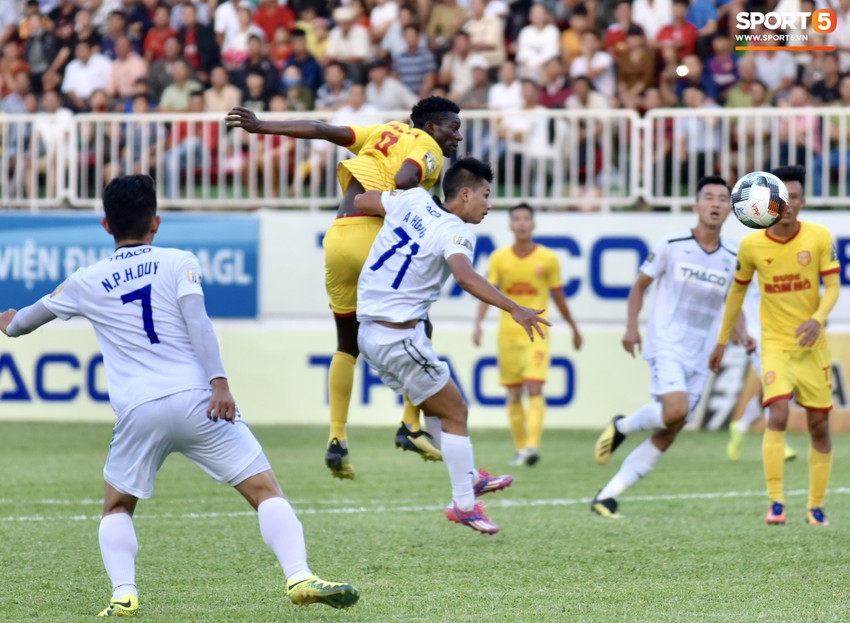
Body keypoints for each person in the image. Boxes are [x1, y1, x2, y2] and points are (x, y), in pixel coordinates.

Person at [0, 175, 359, 616]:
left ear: (106, 225)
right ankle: (299, 575)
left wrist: (9, 321)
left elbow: (22, 324)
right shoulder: (178, 261)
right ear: (156, 221)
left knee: (117, 505)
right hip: (199, 400)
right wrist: (219, 383)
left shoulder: (85, 280)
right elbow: (197, 322)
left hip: (139, 410)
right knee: (265, 490)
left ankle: (123, 593)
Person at [225, 97, 463, 479]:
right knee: (419, 322)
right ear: (432, 126)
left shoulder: (382, 131)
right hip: (373, 237)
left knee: (346, 342)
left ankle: (337, 438)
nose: (458, 136)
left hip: (338, 237)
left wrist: (261, 125)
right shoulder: (428, 146)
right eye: (453, 128)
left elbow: (321, 129)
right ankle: (410, 424)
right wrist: (429, 209)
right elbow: (405, 180)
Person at [354, 158, 548, 534]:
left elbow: (363, 201)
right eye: (486, 195)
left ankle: (470, 475)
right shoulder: (456, 232)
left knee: (437, 408)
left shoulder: (413, 199)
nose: (489, 204)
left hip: (370, 331)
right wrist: (514, 308)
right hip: (398, 337)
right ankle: (464, 504)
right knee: (456, 410)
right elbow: (464, 276)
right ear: (465, 194)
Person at [592, 176, 739, 519]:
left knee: (670, 430)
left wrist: (738, 335)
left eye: (723, 199)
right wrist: (631, 326)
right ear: (696, 206)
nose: (716, 204)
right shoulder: (671, 244)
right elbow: (639, 286)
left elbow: (733, 302)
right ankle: (624, 426)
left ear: (730, 210)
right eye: (709, 197)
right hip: (667, 342)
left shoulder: (734, 255)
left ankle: (608, 496)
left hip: (703, 352)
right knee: (675, 411)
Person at [709, 165, 840, 526]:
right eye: (783, 197)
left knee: (819, 426)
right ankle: (776, 503)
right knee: (778, 413)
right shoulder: (752, 244)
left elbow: (832, 287)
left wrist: (817, 318)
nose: (789, 204)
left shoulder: (818, 237)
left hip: (812, 346)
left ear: (802, 201)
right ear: (769, 201)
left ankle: (815, 506)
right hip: (775, 344)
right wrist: (722, 340)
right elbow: (736, 293)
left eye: (795, 197)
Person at [472, 203, 583, 466]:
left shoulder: (548, 259)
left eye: (526, 219)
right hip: (508, 334)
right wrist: (478, 324)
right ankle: (521, 449)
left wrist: (574, 328)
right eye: (517, 219)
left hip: (537, 332)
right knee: (513, 393)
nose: (521, 223)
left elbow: (559, 297)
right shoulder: (499, 258)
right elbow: (488, 292)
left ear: (533, 224)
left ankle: (532, 446)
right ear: (511, 225)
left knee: (534, 387)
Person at [725, 285, 797, 463]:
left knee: (770, 391)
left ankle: (741, 427)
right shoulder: (749, 267)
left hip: (784, 337)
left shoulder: (787, 269)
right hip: (756, 338)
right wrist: (735, 329)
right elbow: (732, 296)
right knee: (775, 388)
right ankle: (778, 442)